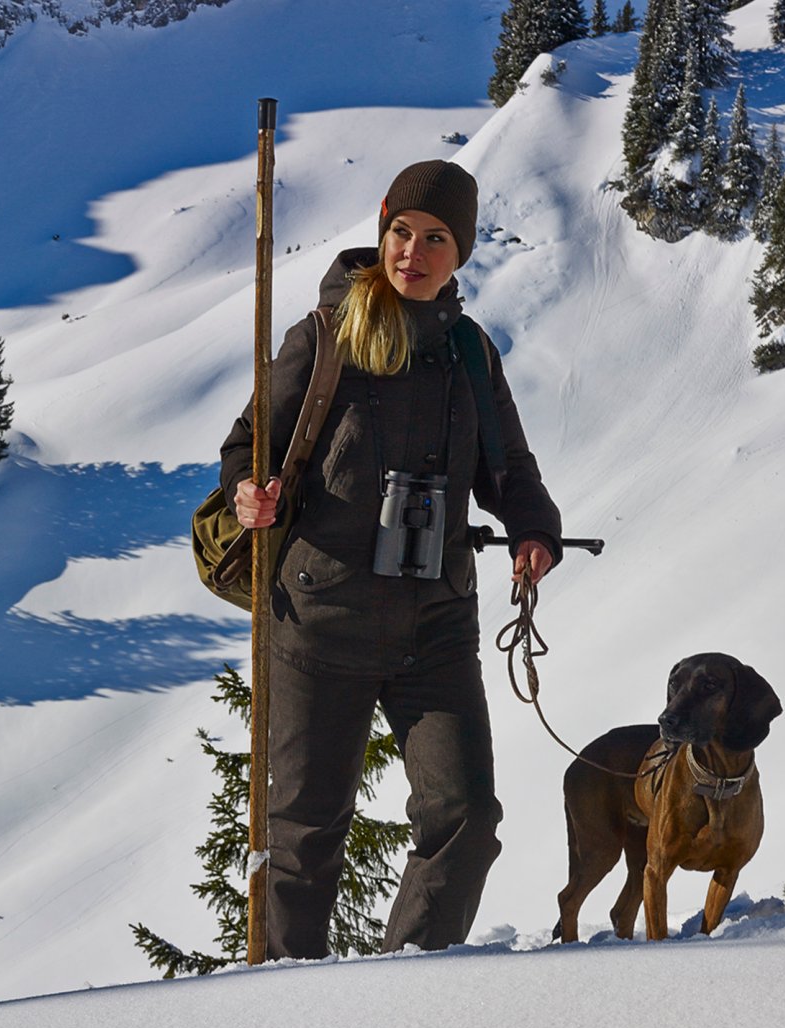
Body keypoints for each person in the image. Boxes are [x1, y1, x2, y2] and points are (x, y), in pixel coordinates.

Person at [219, 159, 562, 959]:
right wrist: (248, 493)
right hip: (317, 620)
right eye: (401, 232)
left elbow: (508, 468)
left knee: (466, 818)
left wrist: (531, 529)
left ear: (461, 252)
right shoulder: (326, 335)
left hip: (434, 622)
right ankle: (288, 1010)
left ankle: (408, 978)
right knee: (303, 838)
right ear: (381, 232)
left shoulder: (469, 353)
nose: (414, 251)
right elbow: (247, 446)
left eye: (435, 238)